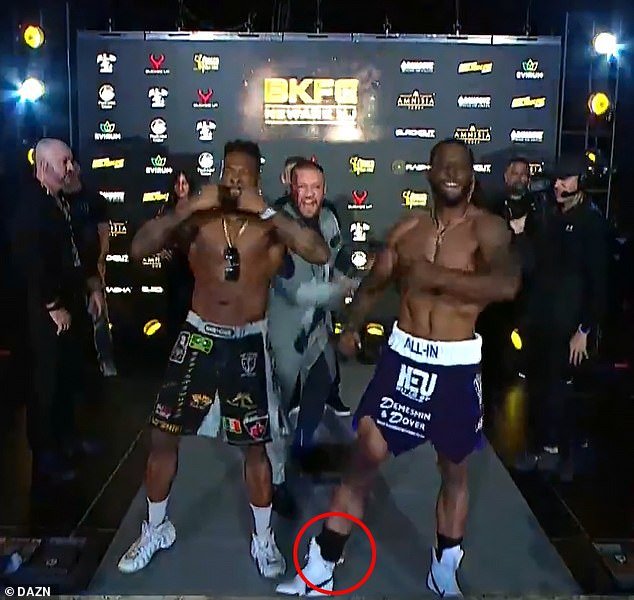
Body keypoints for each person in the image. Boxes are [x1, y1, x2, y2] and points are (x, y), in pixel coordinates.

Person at [276, 138, 521, 597]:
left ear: (471, 178)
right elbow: (374, 285)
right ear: (429, 174)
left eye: (460, 166)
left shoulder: (488, 229)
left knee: (454, 472)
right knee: (362, 461)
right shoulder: (407, 229)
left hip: (455, 367)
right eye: (443, 166)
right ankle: (322, 565)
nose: (451, 173)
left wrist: (436, 276)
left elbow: (507, 284)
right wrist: (352, 325)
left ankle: (443, 569)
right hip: (404, 360)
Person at [117, 140, 330, 577]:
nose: (234, 180)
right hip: (198, 335)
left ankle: (263, 539)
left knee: (255, 447)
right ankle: (156, 528)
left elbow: (319, 251)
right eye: (228, 171)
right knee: (163, 437)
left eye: (243, 174)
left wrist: (266, 211)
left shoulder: (271, 225)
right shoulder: (199, 220)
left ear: (257, 180)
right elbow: (139, 248)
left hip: (247, 340)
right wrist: (188, 206)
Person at [266, 160, 358, 518]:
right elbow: (297, 292)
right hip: (284, 331)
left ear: (324, 189)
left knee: (322, 381)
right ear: (291, 187)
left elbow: (336, 261)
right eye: (302, 187)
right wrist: (347, 290)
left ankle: (302, 446)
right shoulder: (279, 226)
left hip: (318, 328)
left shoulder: (330, 219)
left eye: (315, 187)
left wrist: (347, 278)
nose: (309, 194)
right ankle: (276, 481)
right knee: (276, 409)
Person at [11, 139, 105, 483]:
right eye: (63, 162)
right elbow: (31, 261)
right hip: (44, 309)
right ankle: (45, 454)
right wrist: (52, 305)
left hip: (70, 298)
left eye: (70, 161)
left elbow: (76, 250)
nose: (70, 168)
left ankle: (67, 440)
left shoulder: (60, 201)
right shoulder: (31, 206)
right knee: (46, 382)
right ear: (43, 166)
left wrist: (91, 285)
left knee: (67, 375)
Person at [514, 154, 609, 482]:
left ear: (581, 182)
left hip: (569, 325)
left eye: (565, 179)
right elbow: (535, 265)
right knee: (536, 385)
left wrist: (584, 329)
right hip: (541, 319)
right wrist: (521, 234)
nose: (558, 185)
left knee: (560, 390)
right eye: (556, 179)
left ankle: (558, 451)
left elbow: (599, 282)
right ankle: (536, 446)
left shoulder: (591, 224)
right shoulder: (549, 218)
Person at [64, 159, 117, 377]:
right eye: (64, 165)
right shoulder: (57, 198)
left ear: (79, 168)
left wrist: (101, 261)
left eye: (72, 165)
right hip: (67, 268)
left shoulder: (94, 199)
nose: (68, 170)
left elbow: (104, 233)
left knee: (99, 316)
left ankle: (106, 362)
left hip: (91, 268)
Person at [157, 170, 197, 345]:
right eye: (177, 183)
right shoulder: (167, 210)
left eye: (184, 183)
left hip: (194, 269)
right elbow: (156, 235)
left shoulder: (197, 210)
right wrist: (161, 249)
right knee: (174, 312)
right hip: (173, 269)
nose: (181, 187)